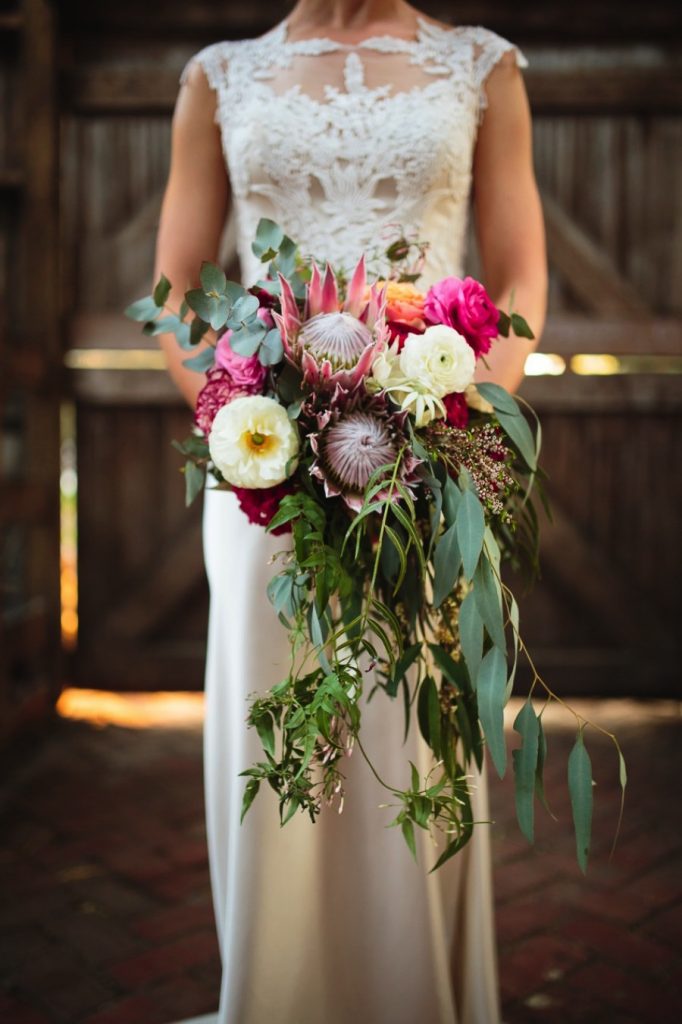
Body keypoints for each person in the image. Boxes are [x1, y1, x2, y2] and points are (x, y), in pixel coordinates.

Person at [154, 2, 547, 1022]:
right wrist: (246, 429)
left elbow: (520, 279)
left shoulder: (482, 69)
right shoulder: (219, 76)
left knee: (410, 747)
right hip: (265, 485)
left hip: (431, 467)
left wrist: (451, 423)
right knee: (273, 738)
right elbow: (175, 289)